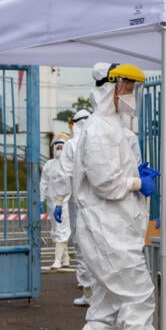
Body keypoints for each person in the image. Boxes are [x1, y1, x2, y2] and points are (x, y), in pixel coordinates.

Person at [73, 62, 166, 330]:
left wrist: (136, 173)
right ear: (113, 88)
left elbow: (115, 173)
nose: (133, 95)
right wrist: (137, 181)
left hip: (115, 227)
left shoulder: (115, 127)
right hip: (106, 228)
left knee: (107, 297)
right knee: (137, 295)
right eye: (129, 87)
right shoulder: (98, 129)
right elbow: (105, 183)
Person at [50, 109, 93, 306]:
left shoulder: (72, 146)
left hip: (80, 205)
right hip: (103, 204)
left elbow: (64, 175)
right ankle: (103, 296)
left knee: (83, 248)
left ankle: (89, 293)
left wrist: (59, 201)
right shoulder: (99, 142)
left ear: (73, 124)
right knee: (102, 249)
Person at [41, 133, 72, 269]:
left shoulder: (69, 165)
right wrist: (41, 199)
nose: (59, 148)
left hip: (65, 201)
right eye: (57, 146)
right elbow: (43, 183)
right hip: (51, 203)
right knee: (56, 230)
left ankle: (57, 260)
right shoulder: (49, 165)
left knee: (61, 229)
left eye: (62, 146)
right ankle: (65, 257)